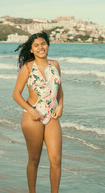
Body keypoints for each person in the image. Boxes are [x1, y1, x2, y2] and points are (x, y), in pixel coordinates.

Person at [13, 31, 64, 193]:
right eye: (36, 45)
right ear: (31, 50)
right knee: (34, 159)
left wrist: (61, 105)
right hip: (32, 116)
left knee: (56, 160)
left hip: (51, 116)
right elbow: (16, 94)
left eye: (43, 44)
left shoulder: (55, 65)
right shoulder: (27, 68)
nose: (41, 47)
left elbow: (59, 89)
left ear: (48, 45)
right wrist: (30, 110)